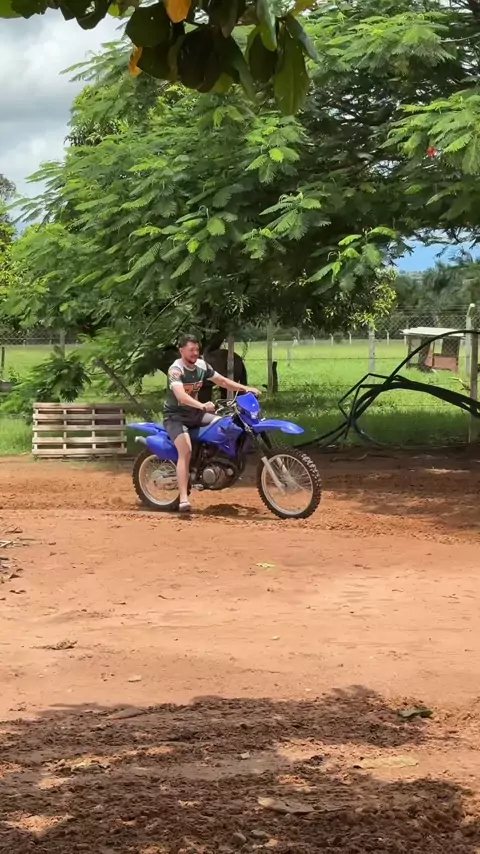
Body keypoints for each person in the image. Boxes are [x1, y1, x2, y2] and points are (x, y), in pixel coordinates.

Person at [164, 334, 261, 512]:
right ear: (181, 351)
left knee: (224, 426)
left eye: (197, 349)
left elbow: (222, 381)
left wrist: (245, 388)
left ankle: (212, 463)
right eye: (191, 350)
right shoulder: (176, 370)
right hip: (176, 418)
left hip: (196, 415)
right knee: (185, 450)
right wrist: (201, 405)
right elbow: (181, 396)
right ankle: (183, 498)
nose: (195, 353)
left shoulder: (202, 366)